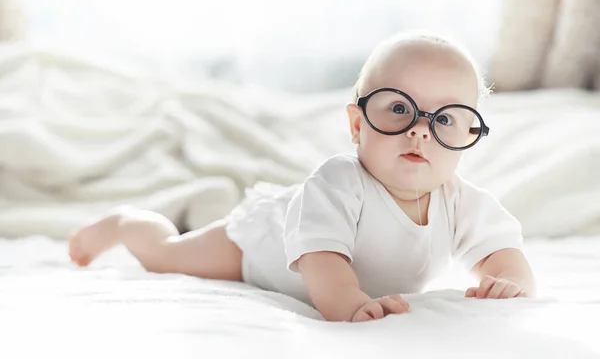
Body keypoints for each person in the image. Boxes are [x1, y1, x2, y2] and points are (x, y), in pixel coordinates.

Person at [69, 31, 536, 322]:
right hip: (261, 243)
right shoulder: (340, 181)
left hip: (295, 240)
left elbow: (505, 257)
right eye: (399, 109)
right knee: (166, 256)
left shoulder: (461, 201)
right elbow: (324, 264)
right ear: (357, 125)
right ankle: (126, 223)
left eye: (445, 119)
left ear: (470, 134)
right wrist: (349, 305)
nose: (419, 130)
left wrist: (505, 283)